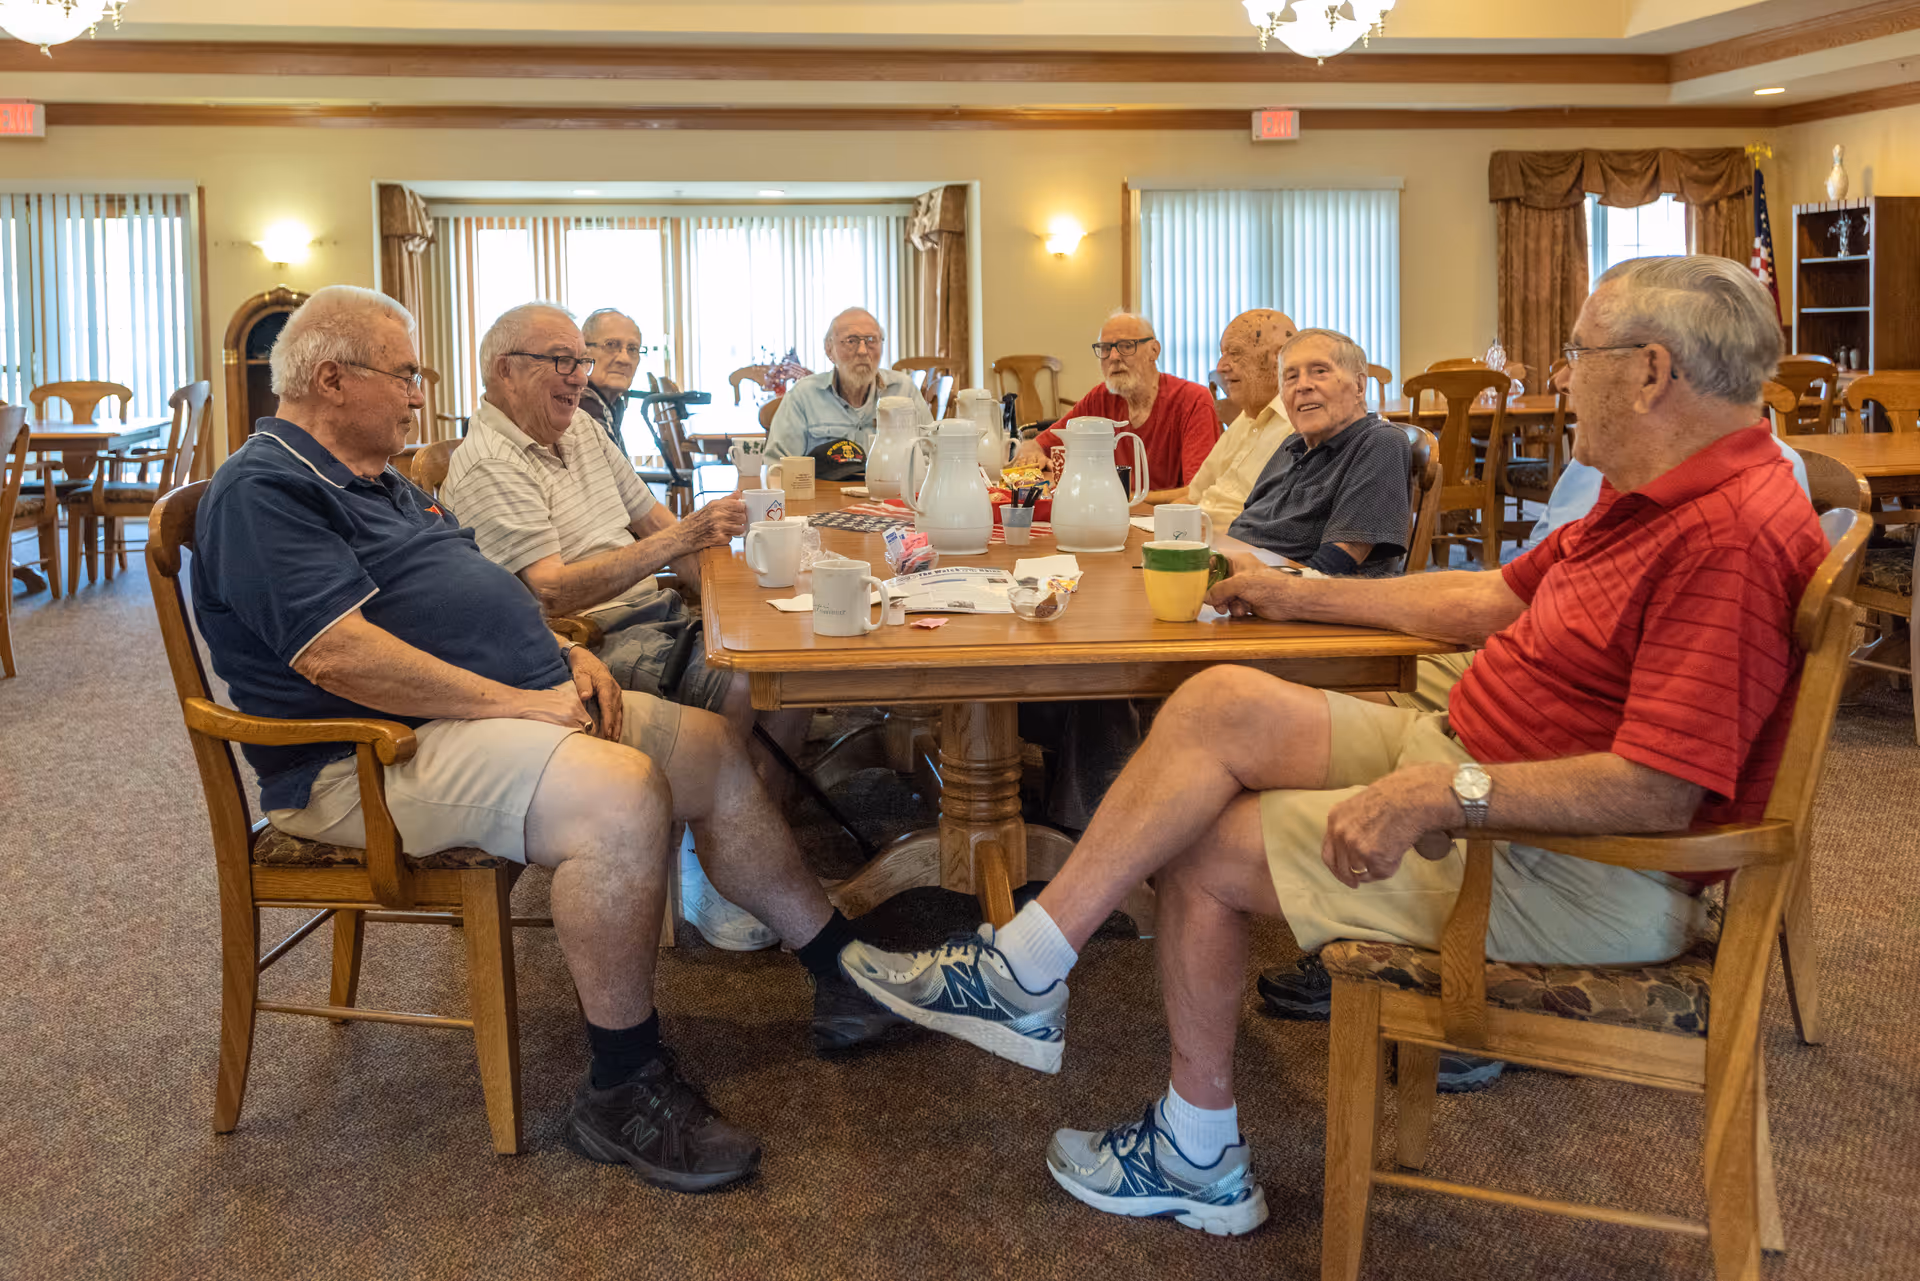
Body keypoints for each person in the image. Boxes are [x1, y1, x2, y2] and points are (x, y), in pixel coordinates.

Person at [833, 256, 1825, 1235]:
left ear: (1652, 372)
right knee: (1221, 699)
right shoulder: (1649, 489)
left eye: (1577, 353)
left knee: (1209, 848)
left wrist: (1440, 797)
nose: (1562, 377)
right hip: (1481, 754)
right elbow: (1488, 595)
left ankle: (1198, 1154)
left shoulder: (1726, 532)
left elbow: (1655, 792)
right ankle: (1028, 969)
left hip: (1578, 865)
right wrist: (1299, 594)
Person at [191, 286, 904, 1194]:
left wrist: (563, 656)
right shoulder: (267, 488)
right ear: (331, 378)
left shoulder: (378, 478)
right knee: (623, 796)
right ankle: (620, 1085)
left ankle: (840, 967)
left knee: (713, 754)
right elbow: (340, 656)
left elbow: (480, 594)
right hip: (367, 758)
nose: (419, 395)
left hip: (479, 710)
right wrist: (513, 701)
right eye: (407, 374)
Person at [441, 301, 808, 952]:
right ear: (504, 372)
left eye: (578, 361)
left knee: (785, 663)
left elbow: (653, 523)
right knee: (753, 686)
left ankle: (743, 843)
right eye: (562, 360)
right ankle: (719, 868)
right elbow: (549, 590)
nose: (579, 375)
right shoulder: (491, 461)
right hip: (585, 636)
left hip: (649, 603)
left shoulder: (581, 431)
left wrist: (738, 595)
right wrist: (686, 541)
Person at [1224, 328, 1412, 577]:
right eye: (1291, 377)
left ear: (1358, 385)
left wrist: (1249, 582)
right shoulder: (1292, 445)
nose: (1302, 386)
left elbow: (1329, 571)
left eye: (1320, 371)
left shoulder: (1378, 443)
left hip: (1293, 603)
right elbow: (1246, 525)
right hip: (1236, 580)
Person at [1013, 311, 1219, 503]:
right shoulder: (1099, 398)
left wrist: (1118, 498)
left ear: (1154, 351)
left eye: (1126, 346)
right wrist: (1031, 452)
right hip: (1109, 518)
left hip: (1169, 527)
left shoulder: (1193, 401)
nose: (1113, 357)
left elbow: (1199, 492)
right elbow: (1038, 444)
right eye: (1104, 349)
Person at [765, 307, 931, 459]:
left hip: (889, 491)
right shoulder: (804, 395)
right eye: (851, 341)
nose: (862, 351)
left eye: (871, 340)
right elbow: (777, 465)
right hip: (823, 492)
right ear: (829, 350)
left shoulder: (904, 390)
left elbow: (931, 455)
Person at [1184, 308, 1296, 529]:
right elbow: (1192, 497)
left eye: (1235, 353)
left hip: (1235, 549)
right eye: (1222, 353)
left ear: (1280, 358)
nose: (1221, 367)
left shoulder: (1300, 428)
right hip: (1195, 536)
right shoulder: (1246, 418)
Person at [577, 307, 645, 459]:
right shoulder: (580, 408)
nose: (624, 359)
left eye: (633, 349)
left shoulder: (610, 405)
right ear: (584, 352)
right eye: (611, 345)